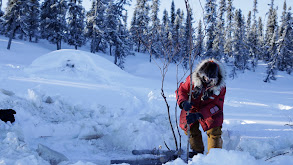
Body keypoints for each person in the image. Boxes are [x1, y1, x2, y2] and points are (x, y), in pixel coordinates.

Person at [175, 59, 226, 157]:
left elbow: (217, 106)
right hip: (192, 107)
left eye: (211, 79)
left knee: (214, 131)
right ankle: (197, 152)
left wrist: (200, 114)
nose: (207, 80)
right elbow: (181, 90)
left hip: (210, 112)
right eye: (205, 77)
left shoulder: (220, 88)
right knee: (189, 126)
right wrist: (183, 102)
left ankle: (214, 156)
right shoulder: (192, 79)